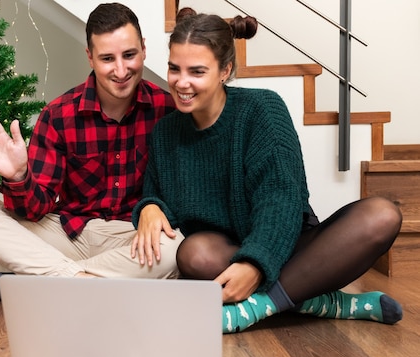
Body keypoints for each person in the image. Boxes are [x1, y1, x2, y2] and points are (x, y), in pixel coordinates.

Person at [131, 10, 403, 333]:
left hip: (290, 245)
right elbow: (158, 193)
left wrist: (256, 264)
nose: (181, 82)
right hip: (226, 254)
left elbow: (283, 199)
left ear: (225, 70)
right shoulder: (166, 132)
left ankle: (259, 306)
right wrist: (149, 207)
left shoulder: (262, 108)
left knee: (383, 215)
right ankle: (323, 301)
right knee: (193, 253)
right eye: (174, 69)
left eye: (197, 71)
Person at [0, 3, 182, 303]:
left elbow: (182, 194)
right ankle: (78, 279)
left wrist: (156, 210)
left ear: (144, 49)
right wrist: (19, 176)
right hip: (68, 233)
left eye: (129, 55)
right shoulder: (59, 115)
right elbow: (35, 210)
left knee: (178, 249)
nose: (121, 70)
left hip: (133, 237)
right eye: (107, 59)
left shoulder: (169, 110)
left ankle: (37, 275)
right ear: (90, 56)